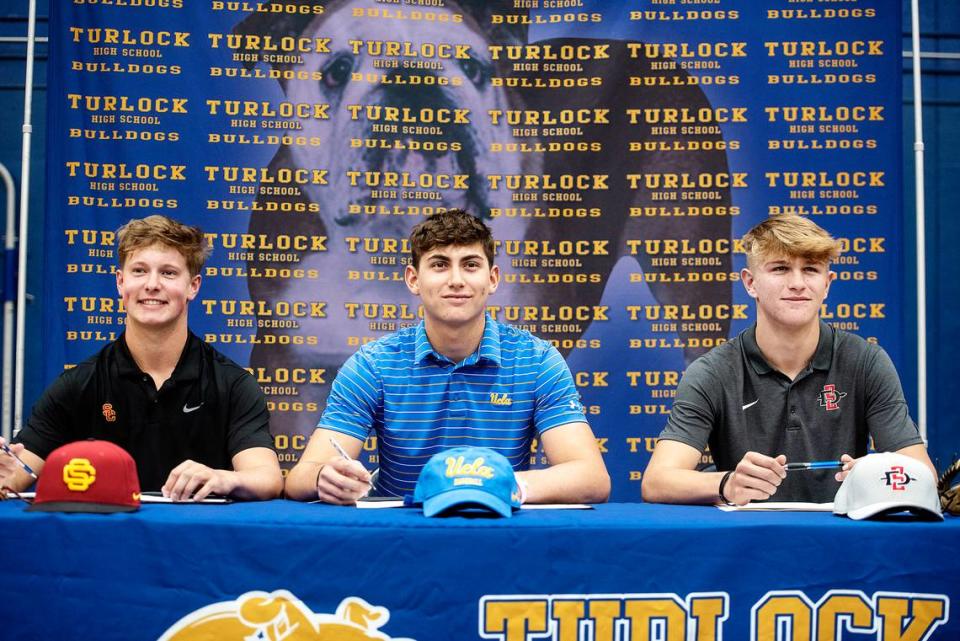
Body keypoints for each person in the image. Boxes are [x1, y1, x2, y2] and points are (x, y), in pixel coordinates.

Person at [285, 209, 610, 504]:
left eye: (470, 265)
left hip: (501, 533)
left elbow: (591, 478)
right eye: (440, 265)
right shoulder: (373, 365)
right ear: (414, 279)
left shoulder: (537, 360)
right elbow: (300, 478)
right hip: (400, 539)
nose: (456, 280)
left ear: (492, 278)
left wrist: (500, 486)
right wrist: (322, 477)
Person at [642, 214, 936, 505]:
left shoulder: (865, 361)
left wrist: (876, 474)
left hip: (845, 540)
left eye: (810, 269)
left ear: (827, 284)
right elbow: (657, 481)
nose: (797, 283)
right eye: (780, 268)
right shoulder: (713, 371)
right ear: (750, 283)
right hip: (746, 542)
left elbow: (924, 476)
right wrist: (727, 482)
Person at [0, 215, 282, 501]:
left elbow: (267, 478)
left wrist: (222, 477)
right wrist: (4, 471)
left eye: (169, 273)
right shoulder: (78, 384)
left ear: (193, 287)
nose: (152, 284)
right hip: (108, 541)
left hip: (200, 542)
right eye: (139, 271)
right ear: (120, 283)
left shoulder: (233, 384)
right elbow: (15, 474)